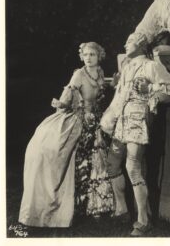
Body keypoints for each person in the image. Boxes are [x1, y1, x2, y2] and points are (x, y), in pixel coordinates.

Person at [18, 42, 114, 228]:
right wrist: (65, 104)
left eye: (92, 54)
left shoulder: (100, 73)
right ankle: (73, 206)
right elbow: (66, 98)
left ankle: (95, 206)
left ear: (99, 56)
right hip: (79, 121)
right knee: (73, 160)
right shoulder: (78, 74)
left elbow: (101, 92)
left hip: (96, 121)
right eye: (85, 54)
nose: (88, 58)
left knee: (97, 161)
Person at [100, 32, 170, 236]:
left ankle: (143, 220)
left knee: (133, 167)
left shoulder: (151, 66)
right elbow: (119, 97)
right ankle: (123, 208)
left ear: (141, 44)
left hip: (138, 121)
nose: (125, 44)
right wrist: (108, 120)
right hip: (120, 121)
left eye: (129, 41)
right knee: (112, 163)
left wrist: (150, 88)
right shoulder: (127, 67)